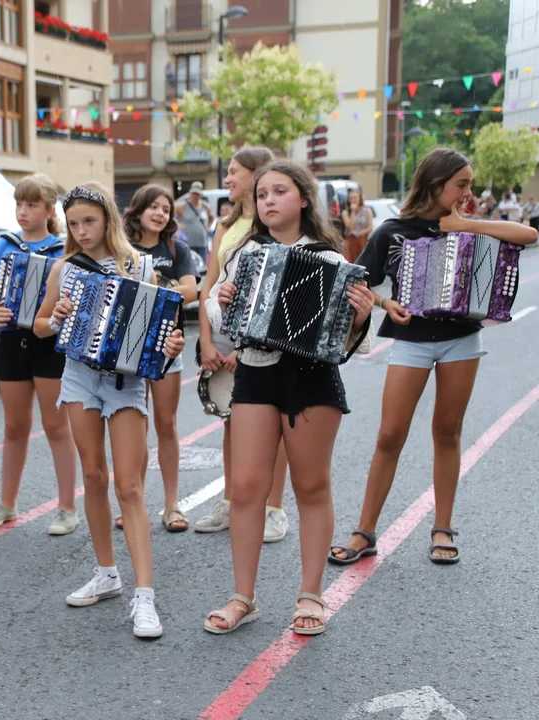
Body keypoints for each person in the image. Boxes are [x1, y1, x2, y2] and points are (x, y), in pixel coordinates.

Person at [330, 148, 538, 568]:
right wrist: (385, 304)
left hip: (462, 339)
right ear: (436, 183)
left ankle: (442, 527)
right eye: (461, 184)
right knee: (390, 435)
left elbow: (529, 235)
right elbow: (357, 280)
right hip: (411, 341)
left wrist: (465, 224)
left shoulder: (470, 225)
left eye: (469, 184)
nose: (468, 192)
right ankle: (364, 531)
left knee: (447, 431)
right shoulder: (392, 230)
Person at [200, 159, 374, 636]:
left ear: (304, 199)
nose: (268, 201)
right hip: (255, 375)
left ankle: (311, 594)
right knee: (245, 488)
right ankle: (243, 596)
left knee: (311, 487)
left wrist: (361, 317)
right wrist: (223, 302)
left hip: (310, 380)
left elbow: (346, 342)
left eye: (279, 191)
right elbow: (216, 309)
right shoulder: (245, 252)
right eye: (261, 194)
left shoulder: (331, 260)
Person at [35, 182, 184, 639]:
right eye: (73, 223)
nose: (81, 231)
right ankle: (106, 574)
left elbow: (162, 329)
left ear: (109, 220)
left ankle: (145, 596)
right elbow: (39, 326)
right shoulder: (64, 267)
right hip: (79, 377)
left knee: (130, 486)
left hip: (126, 382)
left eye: (90, 221)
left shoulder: (140, 265)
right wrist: (56, 318)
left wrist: (171, 346)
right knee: (94, 476)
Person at [193, 147, 291, 543]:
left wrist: (245, 347)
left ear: (257, 173)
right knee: (231, 422)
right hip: (221, 332)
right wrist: (205, 340)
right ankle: (230, 500)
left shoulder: (273, 224)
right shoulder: (225, 225)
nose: (228, 179)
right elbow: (210, 284)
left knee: (274, 425)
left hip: (259, 341)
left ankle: (273, 508)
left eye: (235, 172)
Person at [0, 174, 80, 535]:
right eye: (19, 204)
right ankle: (7, 504)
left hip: (49, 342)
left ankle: (67, 508)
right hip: (11, 340)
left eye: (32, 205)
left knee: (55, 425)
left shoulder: (63, 249)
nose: (23, 211)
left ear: (50, 210)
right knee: (14, 425)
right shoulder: (5, 244)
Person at [121, 185, 199, 533]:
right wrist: (165, 292)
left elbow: (191, 290)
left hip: (168, 344)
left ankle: (172, 505)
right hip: (129, 345)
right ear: (138, 210)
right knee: (135, 425)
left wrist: (152, 290)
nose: (159, 214)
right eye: (153, 206)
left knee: (165, 424)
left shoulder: (176, 249)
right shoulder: (123, 248)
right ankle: (132, 502)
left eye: (165, 209)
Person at [175, 181, 214, 263]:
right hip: (187, 243)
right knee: (188, 264)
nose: (195, 196)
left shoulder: (205, 206)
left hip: (202, 242)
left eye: (197, 194)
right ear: (190, 193)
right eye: (194, 193)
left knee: (202, 264)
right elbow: (172, 217)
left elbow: (211, 217)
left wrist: (208, 227)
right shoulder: (182, 206)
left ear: (201, 195)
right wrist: (177, 229)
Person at [342, 188, 374, 263]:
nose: (353, 200)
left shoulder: (367, 211)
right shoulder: (345, 212)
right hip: (350, 242)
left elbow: (370, 228)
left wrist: (358, 233)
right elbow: (350, 227)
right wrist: (353, 212)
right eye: (351, 198)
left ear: (360, 198)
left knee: (363, 261)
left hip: (362, 241)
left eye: (355, 198)